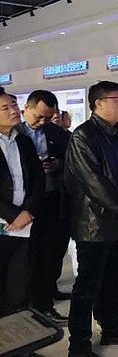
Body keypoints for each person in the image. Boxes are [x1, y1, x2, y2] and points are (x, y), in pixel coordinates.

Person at [64, 81, 118, 357]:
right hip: (94, 223)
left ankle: (111, 329)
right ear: (98, 103)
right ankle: (79, 346)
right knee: (87, 287)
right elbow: (91, 179)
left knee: (114, 279)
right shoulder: (83, 135)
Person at [0, 90, 49, 357]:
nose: (13, 110)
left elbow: (38, 181)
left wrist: (27, 211)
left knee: (20, 288)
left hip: (24, 226)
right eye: (5, 108)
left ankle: (19, 346)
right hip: (5, 223)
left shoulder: (23, 141)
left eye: (14, 105)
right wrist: (12, 214)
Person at [19, 90, 72, 324]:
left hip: (54, 199)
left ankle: (48, 292)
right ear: (26, 109)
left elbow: (72, 159)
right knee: (32, 256)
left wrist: (57, 164)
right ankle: (37, 304)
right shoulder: (14, 133)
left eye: (48, 117)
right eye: (39, 116)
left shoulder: (56, 132)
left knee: (53, 251)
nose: (42, 122)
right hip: (26, 204)